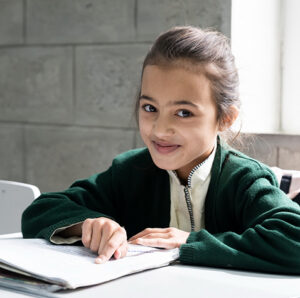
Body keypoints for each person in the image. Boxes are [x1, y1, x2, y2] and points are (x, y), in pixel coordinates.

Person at [22, 26, 300, 274]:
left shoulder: (244, 179)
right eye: (150, 108)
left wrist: (190, 244)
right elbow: (41, 209)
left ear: (225, 118)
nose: (159, 130)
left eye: (183, 112)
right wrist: (87, 225)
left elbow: (294, 239)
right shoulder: (130, 171)